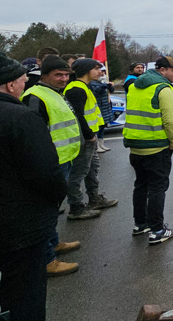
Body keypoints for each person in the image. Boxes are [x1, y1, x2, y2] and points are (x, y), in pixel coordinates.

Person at [0, 51, 68, 321]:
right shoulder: (19, 118)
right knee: (24, 298)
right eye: (23, 80)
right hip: (20, 228)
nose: (25, 84)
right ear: (10, 84)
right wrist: (53, 203)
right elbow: (47, 174)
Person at [20, 55, 84, 277]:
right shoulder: (34, 96)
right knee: (46, 209)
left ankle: (53, 243)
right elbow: (33, 135)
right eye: (58, 74)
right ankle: (47, 259)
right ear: (44, 75)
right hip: (49, 163)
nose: (64, 78)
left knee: (53, 207)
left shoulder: (55, 93)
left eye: (66, 74)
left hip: (63, 159)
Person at [123, 56, 173, 245]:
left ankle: (140, 224)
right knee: (157, 188)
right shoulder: (164, 89)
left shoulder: (135, 86)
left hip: (135, 146)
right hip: (156, 147)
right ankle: (158, 230)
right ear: (162, 70)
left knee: (141, 185)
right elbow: (170, 120)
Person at [64, 59, 117, 219]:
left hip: (90, 136)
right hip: (84, 138)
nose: (99, 72)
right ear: (86, 70)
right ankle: (76, 207)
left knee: (92, 169)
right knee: (79, 172)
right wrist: (89, 136)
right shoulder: (76, 89)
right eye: (95, 69)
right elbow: (78, 116)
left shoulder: (82, 87)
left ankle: (94, 198)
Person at [89, 67, 115, 153]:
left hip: (105, 107)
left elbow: (110, 91)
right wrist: (104, 86)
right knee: (98, 127)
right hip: (99, 107)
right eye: (101, 72)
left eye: (103, 72)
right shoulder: (92, 83)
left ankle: (101, 143)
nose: (102, 73)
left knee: (103, 126)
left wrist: (110, 86)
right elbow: (96, 92)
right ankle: (96, 145)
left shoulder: (102, 82)